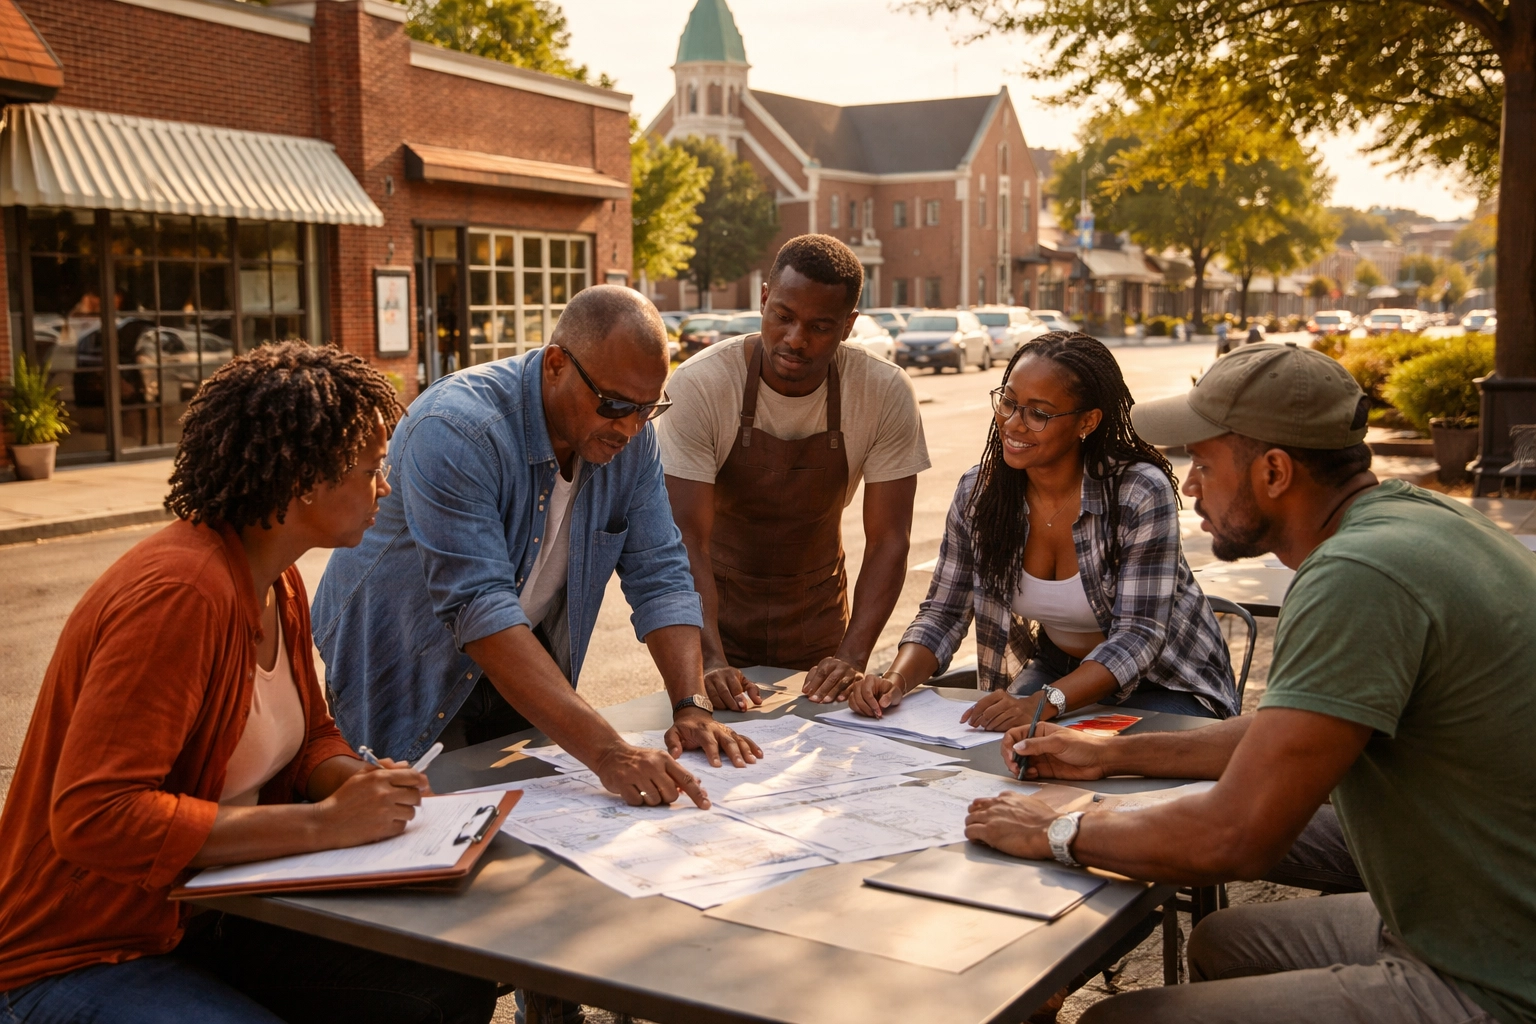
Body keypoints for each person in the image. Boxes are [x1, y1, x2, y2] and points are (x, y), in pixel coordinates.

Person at [966, 342, 1536, 1024]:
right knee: (1223, 941)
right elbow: (1284, 733)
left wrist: (1059, 830)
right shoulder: (1413, 518)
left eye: (1204, 463)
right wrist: (1111, 754)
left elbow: (1236, 837)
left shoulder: (1357, 577)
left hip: (1492, 969)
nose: (1189, 486)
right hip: (1456, 905)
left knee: (1116, 1020)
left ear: (1273, 471)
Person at [0, 343, 496, 1024]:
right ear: (303, 483)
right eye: (369, 468)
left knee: (445, 985)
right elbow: (95, 818)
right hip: (81, 948)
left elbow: (306, 736)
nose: (384, 487)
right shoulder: (180, 594)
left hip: (208, 911)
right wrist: (323, 825)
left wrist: (354, 781)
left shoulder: (277, 577)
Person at [313, 285, 759, 803]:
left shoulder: (630, 437)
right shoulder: (457, 428)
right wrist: (610, 753)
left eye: (646, 408)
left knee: (528, 825)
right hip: (403, 665)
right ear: (555, 365)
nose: (630, 428)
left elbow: (660, 572)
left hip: (521, 657)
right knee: (414, 827)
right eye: (614, 405)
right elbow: (480, 607)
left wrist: (690, 704)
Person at [846, 333, 1238, 732]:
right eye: (1009, 402)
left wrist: (1043, 702)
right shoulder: (980, 493)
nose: (1013, 423)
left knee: (1088, 764)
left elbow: (1139, 635)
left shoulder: (1137, 491)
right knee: (1007, 753)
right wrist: (896, 680)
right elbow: (944, 612)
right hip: (1059, 670)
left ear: (1087, 421)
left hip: (1169, 680)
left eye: (1039, 413)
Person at [658, 235, 929, 709]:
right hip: (714, 619)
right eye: (782, 316)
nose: (795, 340)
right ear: (763, 298)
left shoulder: (883, 392)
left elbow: (889, 539)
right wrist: (708, 656)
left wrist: (852, 653)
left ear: (848, 326)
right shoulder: (702, 384)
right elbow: (686, 538)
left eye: (820, 326)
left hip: (819, 620)